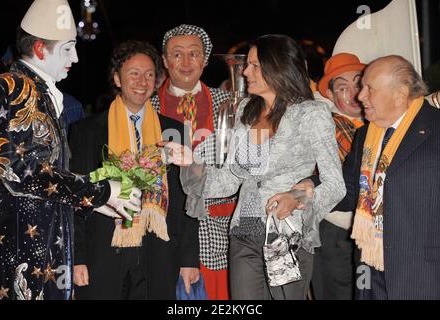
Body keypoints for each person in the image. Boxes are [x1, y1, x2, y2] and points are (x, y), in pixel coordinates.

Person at [162, 34, 345, 300]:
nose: (245, 71)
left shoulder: (311, 114)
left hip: (286, 236)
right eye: (247, 64)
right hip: (242, 235)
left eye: (254, 65)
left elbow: (334, 184)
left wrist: (297, 198)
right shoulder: (247, 110)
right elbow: (230, 180)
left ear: (278, 66)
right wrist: (191, 162)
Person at [0, 0, 140, 300]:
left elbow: (46, 180)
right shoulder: (10, 90)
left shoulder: (40, 92)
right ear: (41, 49)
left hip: (41, 251)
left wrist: (90, 201)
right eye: (67, 48)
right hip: (16, 254)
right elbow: (21, 172)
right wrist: (98, 191)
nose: (75, 57)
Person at [69, 40, 199, 300]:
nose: (143, 82)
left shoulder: (174, 129)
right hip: (103, 251)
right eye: (134, 74)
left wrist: (188, 259)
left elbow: (186, 197)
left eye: (150, 75)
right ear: (117, 78)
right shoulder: (86, 131)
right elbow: (76, 198)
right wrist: (77, 257)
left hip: (158, 251)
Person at [334, 55, 440, 299]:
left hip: (424, 273)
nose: (360, 96)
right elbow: (349, 191)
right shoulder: (364, 136)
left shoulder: (436, 128)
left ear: (401, 93)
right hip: (370, 268)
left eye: (369, 88)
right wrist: (308, 190)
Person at [150, 24, 235, 300]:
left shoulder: (230, 105)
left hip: (219, 229)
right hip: (165, 231)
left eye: (194, 54)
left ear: (205, 60)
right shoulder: (147, 107)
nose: (186, 63)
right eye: (177, 54)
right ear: (164, 60)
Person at [311, 53, 366, 300]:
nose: (354, 93)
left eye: (358, 84)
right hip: (334, 229)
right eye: (343, 88)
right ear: (331, 96)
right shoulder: (326, 124)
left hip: (368, 230)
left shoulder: (378, 123)